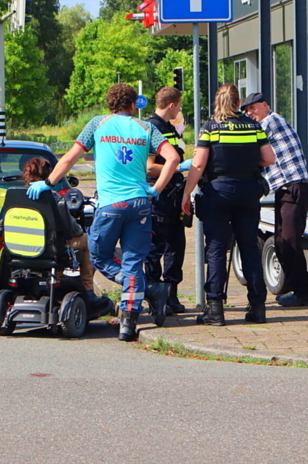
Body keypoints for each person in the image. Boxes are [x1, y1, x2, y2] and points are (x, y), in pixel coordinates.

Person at [27, 83, 181, 341]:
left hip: (111, 205)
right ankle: (129, 322)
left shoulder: (97, 124)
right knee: (134, 260)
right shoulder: (146, 128)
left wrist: (48, 183)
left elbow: (68, 159)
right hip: (141, 203)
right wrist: (156, 190)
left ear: (110, 104)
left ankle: (144, 288)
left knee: (99, 255)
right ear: (133, 105)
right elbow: (174, 158)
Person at [181, 84, 275, 325]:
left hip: (218, 193)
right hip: (248, 193)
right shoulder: (253, 126)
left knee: (215, 249)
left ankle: (215, 309)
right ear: (237, 102)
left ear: (217, 101)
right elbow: (268, 158)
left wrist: (187, 193)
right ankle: (257, 307)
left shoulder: (210, 127)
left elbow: (199, 164)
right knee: (249, 248)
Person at [241, 92, 308, 307]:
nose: (250, 113)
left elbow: (249, 144)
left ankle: (303, 293)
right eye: (246, 111)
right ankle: (296, 289)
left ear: (265, 105)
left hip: (295, 187)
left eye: (253, 108)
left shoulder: (272, 121)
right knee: (282, 241)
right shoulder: (266, 122)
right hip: (285, 189)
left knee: (290, 241)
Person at [20, 156, 113, 318]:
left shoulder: (17, 196)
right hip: (51, 245)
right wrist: (82, 229)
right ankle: (88, 290)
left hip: (23, 246)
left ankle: (59, 277)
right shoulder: (52, 197)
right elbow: (72, 229)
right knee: (89, 241)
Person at [145, 86, 190, 315]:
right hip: (159, 197)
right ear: (171, 105)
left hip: (173, 196)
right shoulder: (151, 128)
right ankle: (155, 296)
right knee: (155, 249)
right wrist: (176, 168)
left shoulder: (169, 128)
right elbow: (149, 167)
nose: (180, 109)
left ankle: (171, 295)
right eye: (179, 105)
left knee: (176, 247)